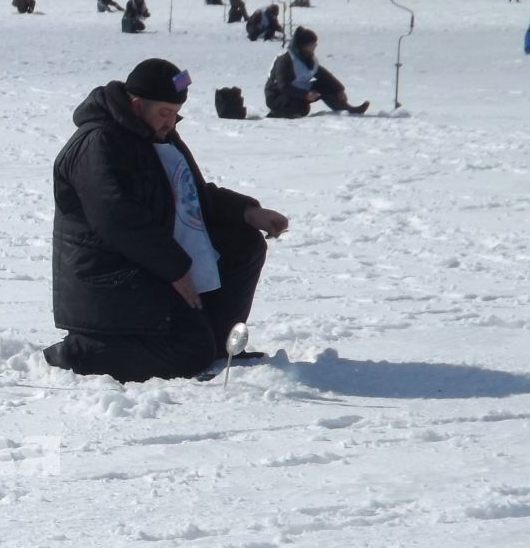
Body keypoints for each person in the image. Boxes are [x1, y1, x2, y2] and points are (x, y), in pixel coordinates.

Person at [43, 58, 289, 384]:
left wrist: (247, 212)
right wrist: (176, 269)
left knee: (242, 244)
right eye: (164, 113)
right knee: (189, 354)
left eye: (175, 114)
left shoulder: (158, 134)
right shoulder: (99, 143)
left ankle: (217, 343)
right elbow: (118, 220)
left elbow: (191, 197)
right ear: (136, 104)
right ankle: (81, 352)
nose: (171, 122)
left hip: (148, 262)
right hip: (108, 274)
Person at [265, 27, 369, 118]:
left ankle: (346, 109)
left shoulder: (308, 59)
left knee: (326, 86)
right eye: (312, 44)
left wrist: (339, 90)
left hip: (299, 92)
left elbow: (324, 76)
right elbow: (284, 86)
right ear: (302, 46)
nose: (315, 46)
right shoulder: (285, 60)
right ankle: (276, 114)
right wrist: (305, 95)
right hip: (278, 96)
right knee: (301, 109)